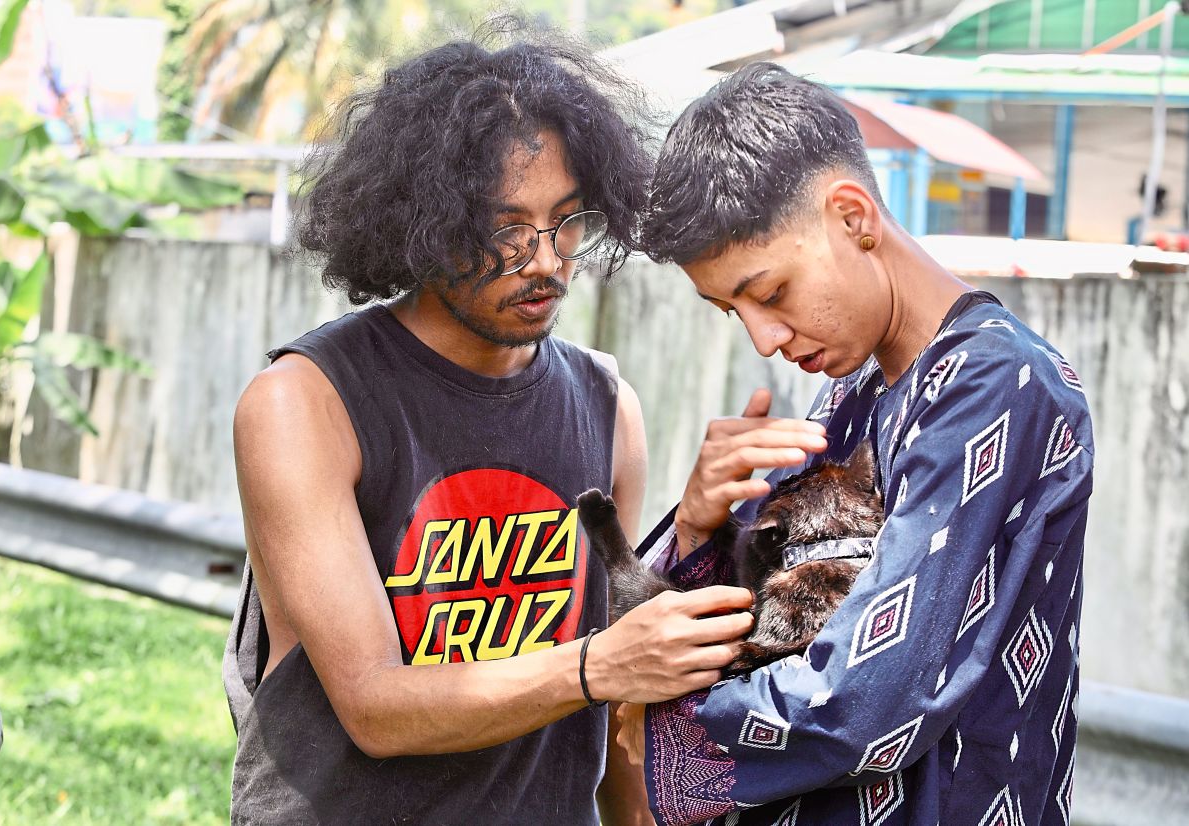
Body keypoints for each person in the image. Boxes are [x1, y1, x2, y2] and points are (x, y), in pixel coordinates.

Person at [221, 30, 771, 826]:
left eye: (566, 220)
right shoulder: (306, 403)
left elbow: (625, 699)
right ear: (426, 222)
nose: (544, 260)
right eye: (504, 227)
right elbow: (373, 707)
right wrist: (595, 666)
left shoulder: (606, 403)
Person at [616, 63, 1093, 826]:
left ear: (853, 216)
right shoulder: (848, 394)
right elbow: (770, 629)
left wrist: (658, 728)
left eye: (771, 293)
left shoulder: (1001, 384)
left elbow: (868, 700)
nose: (766, 338)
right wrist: (701, 524)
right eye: (729, 311)